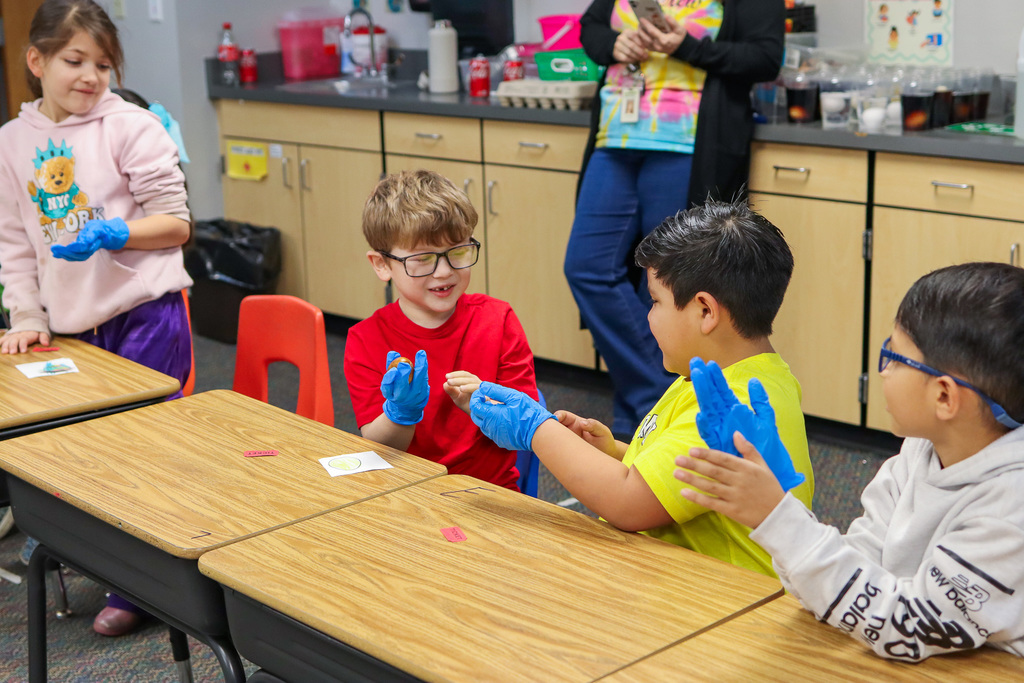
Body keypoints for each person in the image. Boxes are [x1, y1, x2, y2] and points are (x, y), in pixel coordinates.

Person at [676, 262, 1024, 661]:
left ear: (944, 397)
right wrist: (779, 503)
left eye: (893, 357)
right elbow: (855, 574)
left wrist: (776, 517)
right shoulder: (920, 450)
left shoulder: (1011, 505)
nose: (884, 372)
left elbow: (906, 626)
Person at [470, 200, 813, 576]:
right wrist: (615, 452)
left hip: (717, 606)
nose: (648, 315)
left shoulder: (732, 405)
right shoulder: (745, 374)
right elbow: (675, 474)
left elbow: (628, 502)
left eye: (654, 301)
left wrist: (534, 428)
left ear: (705, 312)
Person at [0, 0, 192, 637]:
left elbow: (177, 223)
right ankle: (114, 562)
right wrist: (27, 313)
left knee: (148, 453)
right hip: (73, 326)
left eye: (103, 64)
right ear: (37, 60)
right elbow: (15, 246)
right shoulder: (12, 143)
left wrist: (119, 234)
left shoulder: (131, 127)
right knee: (91, 455)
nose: (90, 76)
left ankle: (141, 586)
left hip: (145, 315)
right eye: (74, 60)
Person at [565, 0, 786, 439]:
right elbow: (590, 28)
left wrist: (689, 47)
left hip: (689, 146)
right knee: (586, 267)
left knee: (666, 286)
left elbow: (764, 57)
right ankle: (663, 401)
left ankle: (639, 426)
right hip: (617, 136)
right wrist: (616, 43)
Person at [344, 170, 538, 490]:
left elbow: (528, 428)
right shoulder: (365, 340)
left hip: (488, 493)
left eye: (458, 252)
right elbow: (381, 447)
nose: (444, 272)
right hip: (406, 492)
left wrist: (486, 406)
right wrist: (401, 413)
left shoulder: (498, 320)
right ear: (381, 264)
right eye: (423, 259)